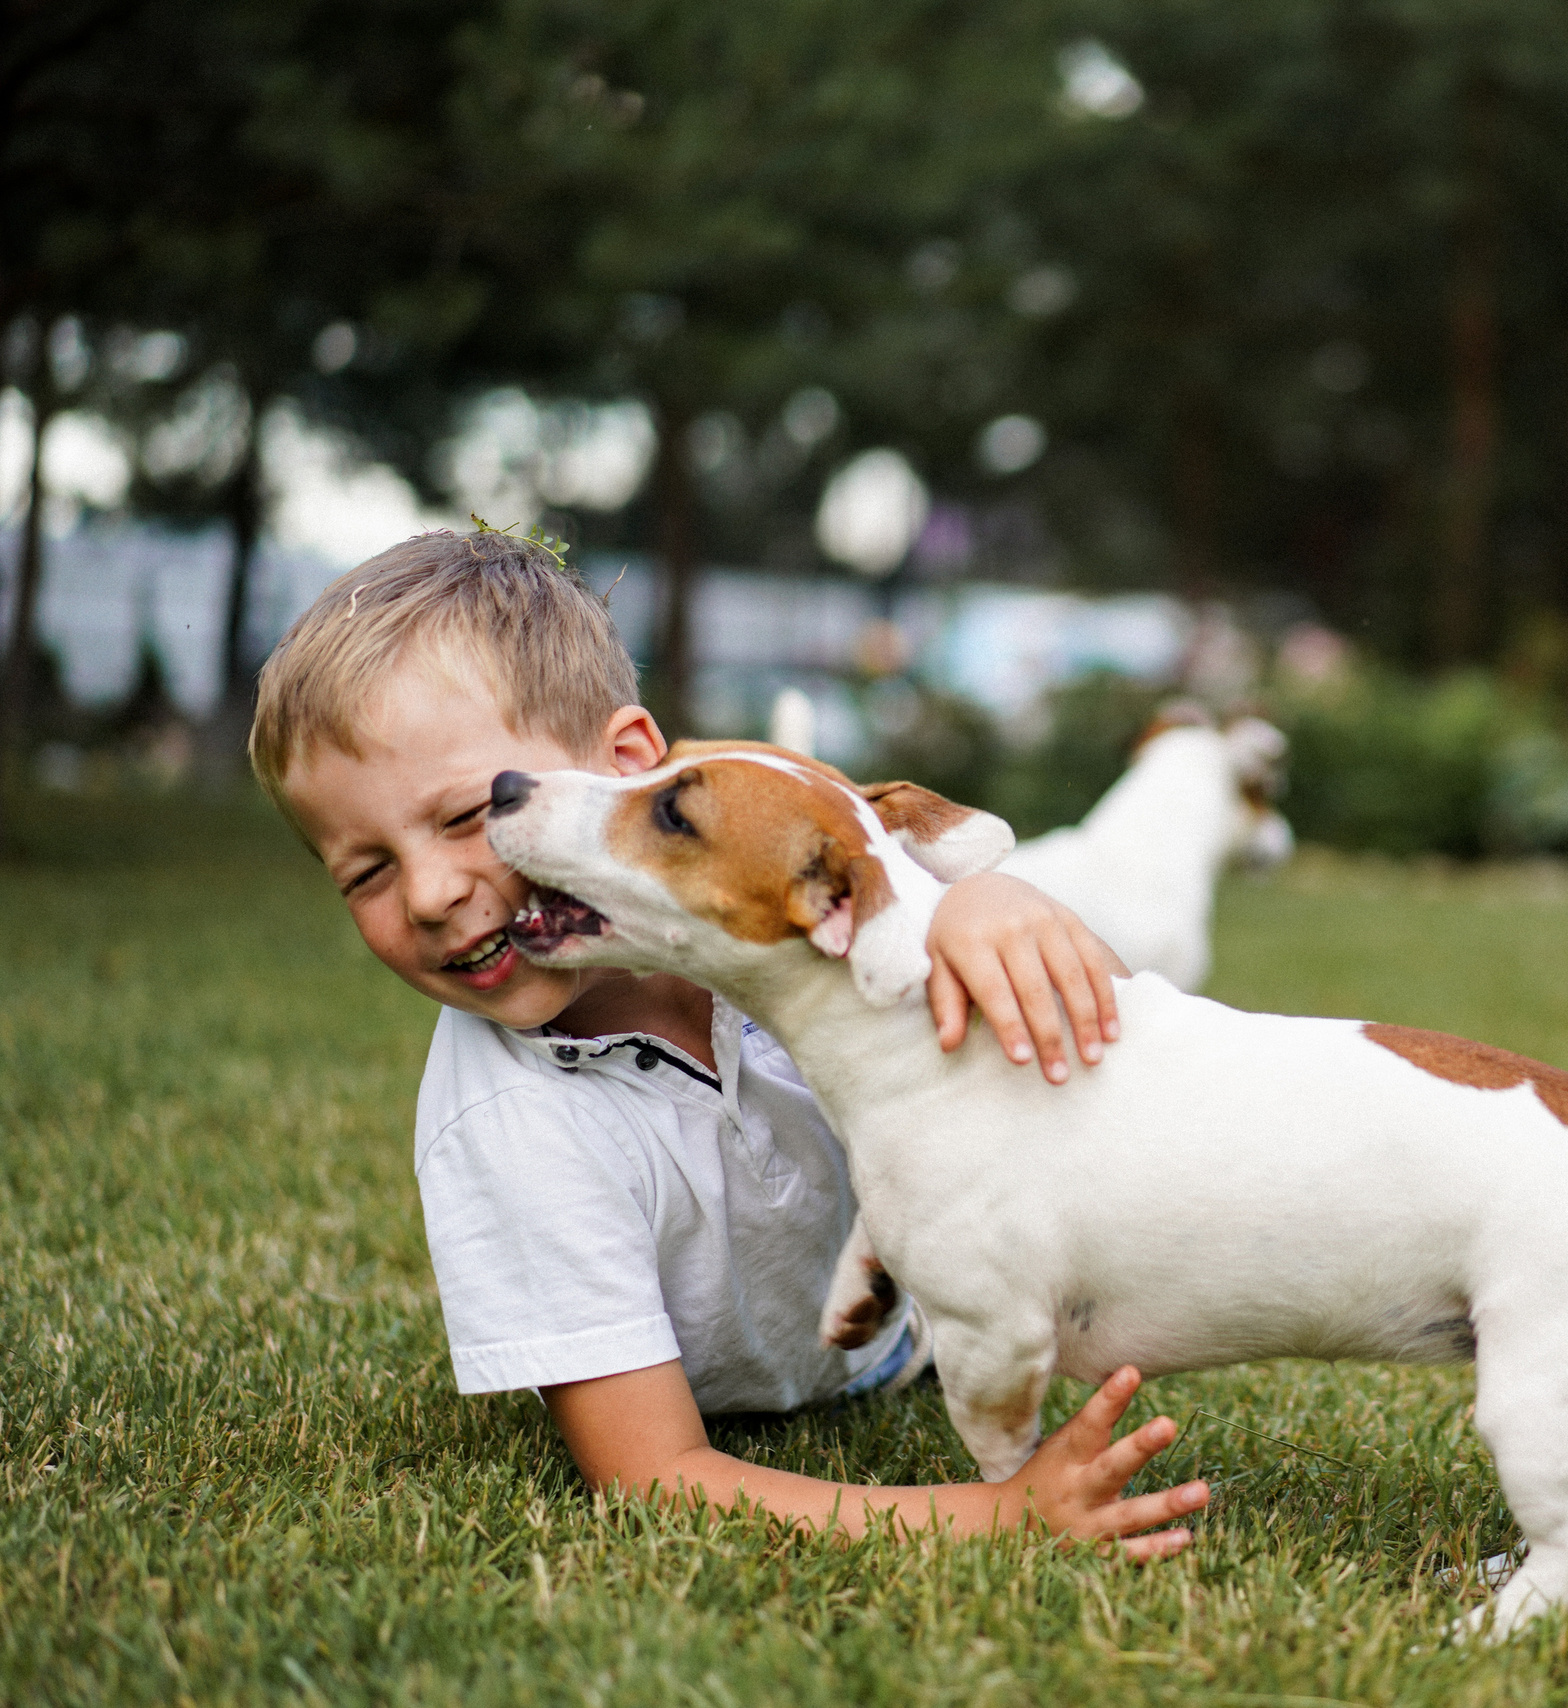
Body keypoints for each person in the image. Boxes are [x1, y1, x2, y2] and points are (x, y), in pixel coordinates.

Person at [248, 528, 1206, 1558]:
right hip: (771, 1397)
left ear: (623, 765)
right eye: (366, 873)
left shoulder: (781, 910)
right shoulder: (510, 1119)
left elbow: (1110, 1031)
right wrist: (995, 1517)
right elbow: (657, 1475)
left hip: (918, 1332)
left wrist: (982, 906)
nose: (432, 895)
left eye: (469, 814)